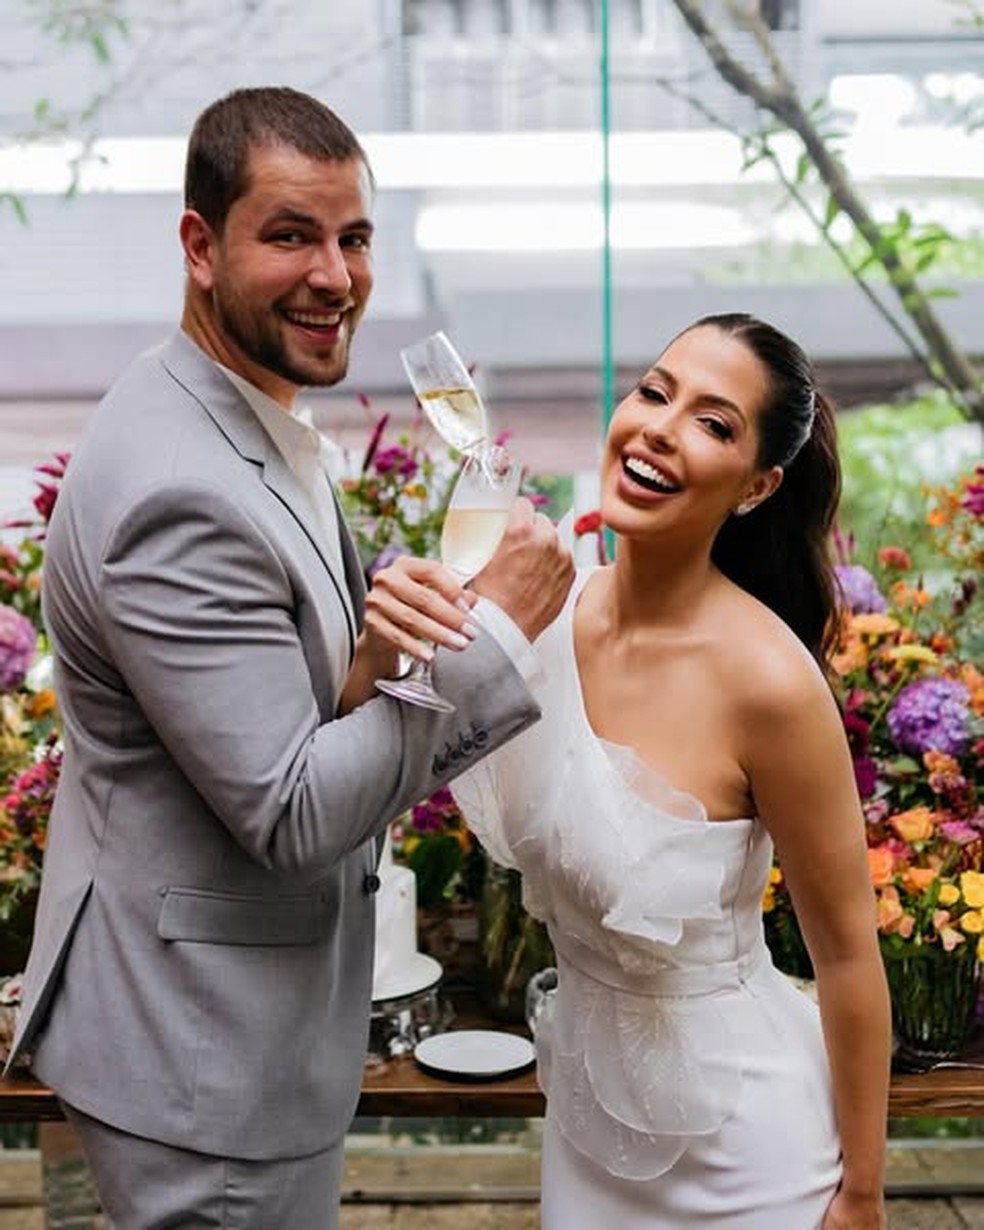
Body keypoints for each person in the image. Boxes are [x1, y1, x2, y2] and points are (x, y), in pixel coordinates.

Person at [4, 86, 573, 1228]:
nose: (337, 275)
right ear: (199, 245)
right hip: (203, 1059)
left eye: (353, 237)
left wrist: (382, 647)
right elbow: (293, 810)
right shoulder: (178, 488)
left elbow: (296, 710)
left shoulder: (236, 407)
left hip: (226, 1020)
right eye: (291, 235)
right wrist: (497, 635)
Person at [451, 313, 891, 1229]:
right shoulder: (548, 608)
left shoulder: (769, 682)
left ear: (759, 485)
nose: (658, 425)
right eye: (655, 391)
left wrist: (863, 1195)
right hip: (587, 1127)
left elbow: (848, 957)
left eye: (714, 422)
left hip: (748, 1152)